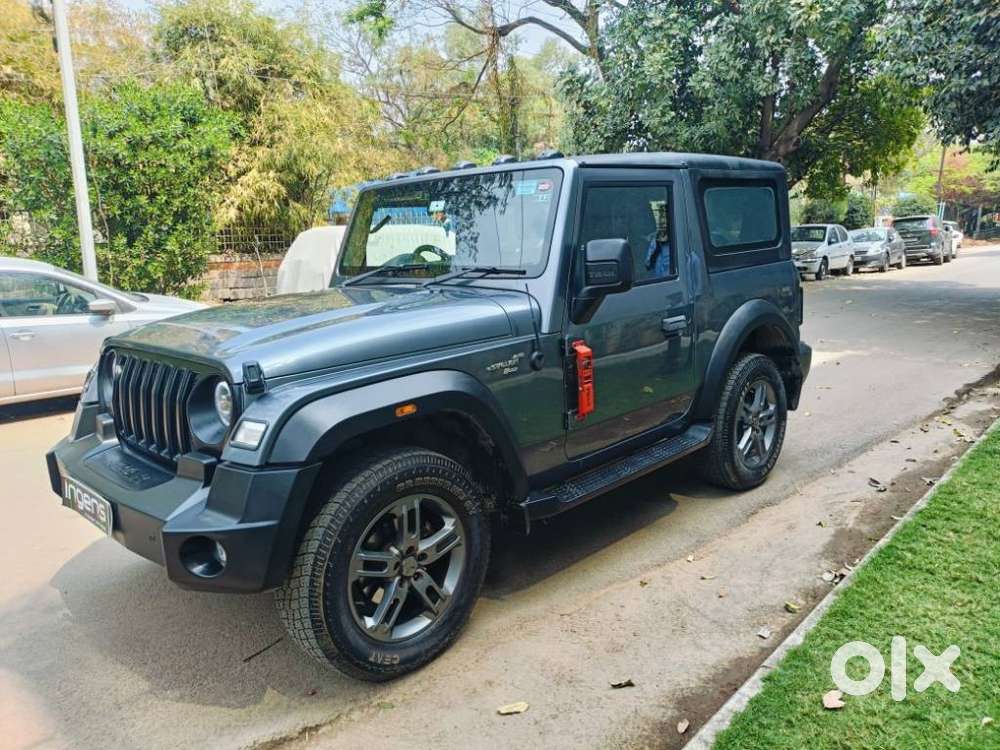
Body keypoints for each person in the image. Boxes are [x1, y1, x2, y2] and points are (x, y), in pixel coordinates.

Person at [644, 202, 673, 278]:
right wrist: (657, 250)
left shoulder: (678, 244)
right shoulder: (655, 242)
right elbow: (648, 266)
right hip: (659, 282)